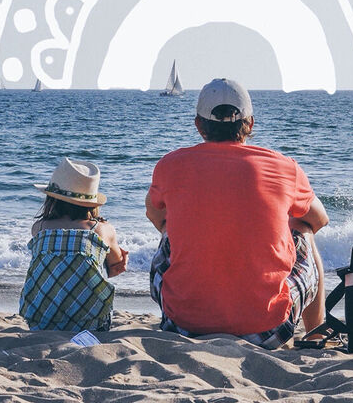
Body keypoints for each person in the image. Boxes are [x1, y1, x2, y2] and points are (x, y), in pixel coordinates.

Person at [146, 78, 329, 349]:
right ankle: (316, 333)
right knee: (303, 229)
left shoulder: (169, 165)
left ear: (198, 125)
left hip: (182, 326)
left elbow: (154, 215)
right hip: (268, 329)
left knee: (168, 227)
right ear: (250, 123)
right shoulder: (283, 167)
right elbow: (319, 220)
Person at [20, 158, 129, 331]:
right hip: (91, 322)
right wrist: (117, 265)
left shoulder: (39, 228)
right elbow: (116, 265)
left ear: (51, 199)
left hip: (39, 321)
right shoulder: (102, 230)